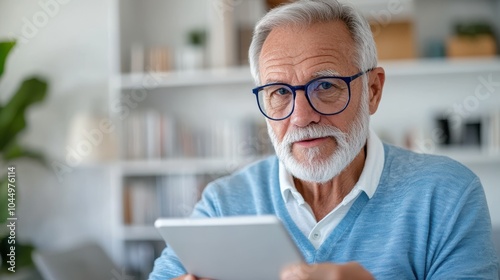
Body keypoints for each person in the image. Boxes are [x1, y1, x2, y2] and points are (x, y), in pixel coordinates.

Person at [149, 0, 499, 279]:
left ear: (373, 90)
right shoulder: (223, 205)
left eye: (326, 86)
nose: (301, 117)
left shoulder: (448, 195)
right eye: (280, 92)